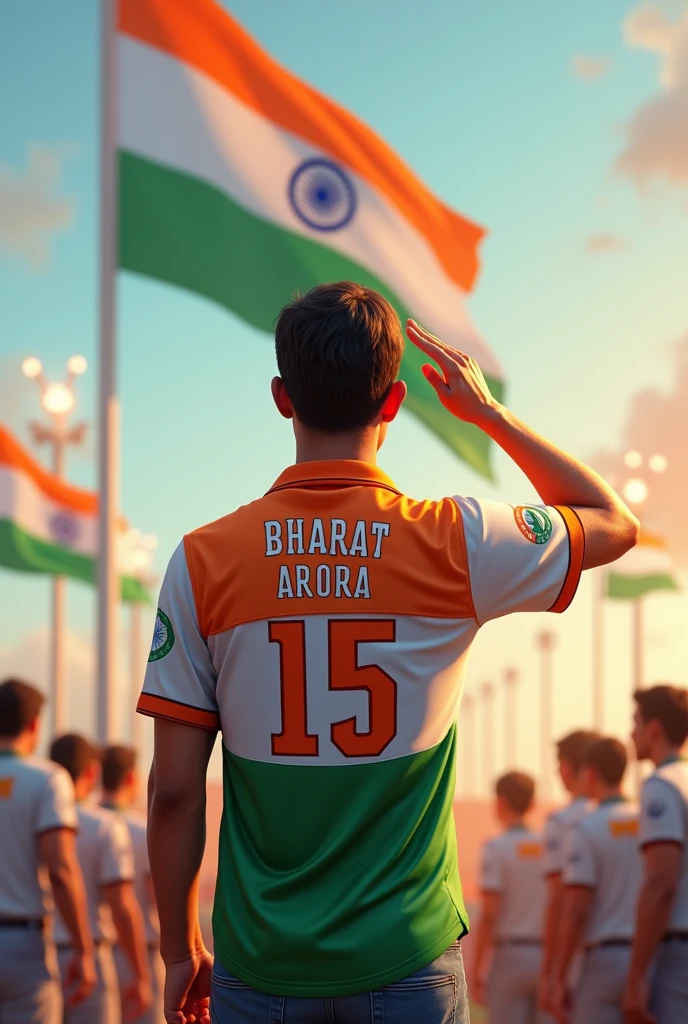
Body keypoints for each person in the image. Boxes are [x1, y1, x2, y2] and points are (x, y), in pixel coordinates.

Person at [138, 283, 638, 1024]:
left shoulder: (203, 560)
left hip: (261, 961)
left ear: (282, 398)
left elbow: (174, 792)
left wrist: (181, 949)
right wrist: (488, 414)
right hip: (407, 960)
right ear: (395, 402)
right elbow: (612, 522)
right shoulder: (455, 540)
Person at [0, 678, 96, 1024]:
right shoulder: (48, 779)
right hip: (24, 947)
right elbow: (61, 869)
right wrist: (83, 949)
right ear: (35, 724)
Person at [49, 734, 152, 1024]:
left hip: (38, 951)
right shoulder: (109, 827)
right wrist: (142, 973)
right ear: (91, 772)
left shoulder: (32, 818)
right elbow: (122, 905)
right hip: (98, 951)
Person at [551, 736, 641, 1024]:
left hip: (602, 960)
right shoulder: (649, 822)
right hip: (649, 957)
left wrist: (560, 975)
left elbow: (576, 909)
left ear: (589, 774)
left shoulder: (586, 827)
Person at [623, 685, 688, 1024]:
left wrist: (635, 979)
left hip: (679, 952)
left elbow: (660, 883)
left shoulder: (661, 784)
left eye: (635, 722)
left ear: (654, 728)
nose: (630, 732)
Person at [471, 771, 549, 1024]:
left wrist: (477, 967)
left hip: (510, 957)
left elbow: (490, 913)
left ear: (501, 801)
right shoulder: (550, 847)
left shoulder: (496, 848)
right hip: (547, 955)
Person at [101, 744, 165, 1024]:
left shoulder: (81, 826)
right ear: (131, 778)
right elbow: (159, 899)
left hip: (99, 951)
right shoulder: (145, 831)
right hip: (142, 955)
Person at [539, 729, 599, 1012]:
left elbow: (559, 901)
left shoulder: (562, 822)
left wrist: (551, 973)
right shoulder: (628, 816)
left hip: (580, 958)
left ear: (566, 766)